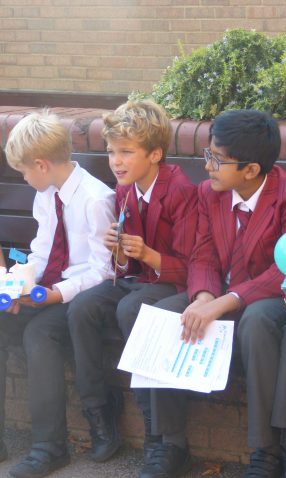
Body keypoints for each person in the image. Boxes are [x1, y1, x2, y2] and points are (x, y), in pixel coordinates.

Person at [145, 109, 286, 478]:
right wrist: (203, 298)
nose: (207, 165)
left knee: (257, 323)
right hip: (218, 293)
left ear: (251, 170)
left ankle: (266, 449)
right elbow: (203, 252)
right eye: (208, 154)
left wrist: (227, 301)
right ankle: (170, 441)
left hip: (269, 298)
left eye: (217, 159)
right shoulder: (209, 194)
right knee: (163, 314)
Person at [66, 100, 197, 466]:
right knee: (83, 309)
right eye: (111, 151)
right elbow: (124, 267)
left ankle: (161, 433)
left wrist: (150, 255)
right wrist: (120, 253)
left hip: (174, 285)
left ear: (155, 153)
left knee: (132, 309)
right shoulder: (125, 189)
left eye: (126, 152)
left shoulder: (179, 190)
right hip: (139, 281)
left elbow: (192, 266)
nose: (116, 161)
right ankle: (99, 412)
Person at [1, 110, 115, 477]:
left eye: (23, 171)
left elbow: (104, 269)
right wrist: (16, 285)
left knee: (40, 334)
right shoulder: (46, 194)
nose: (23, 177)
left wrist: (54, 294)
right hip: (45, 290)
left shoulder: (96, 199)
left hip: (82, 298)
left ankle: (49, 448)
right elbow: (40, 250)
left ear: (41, 164)